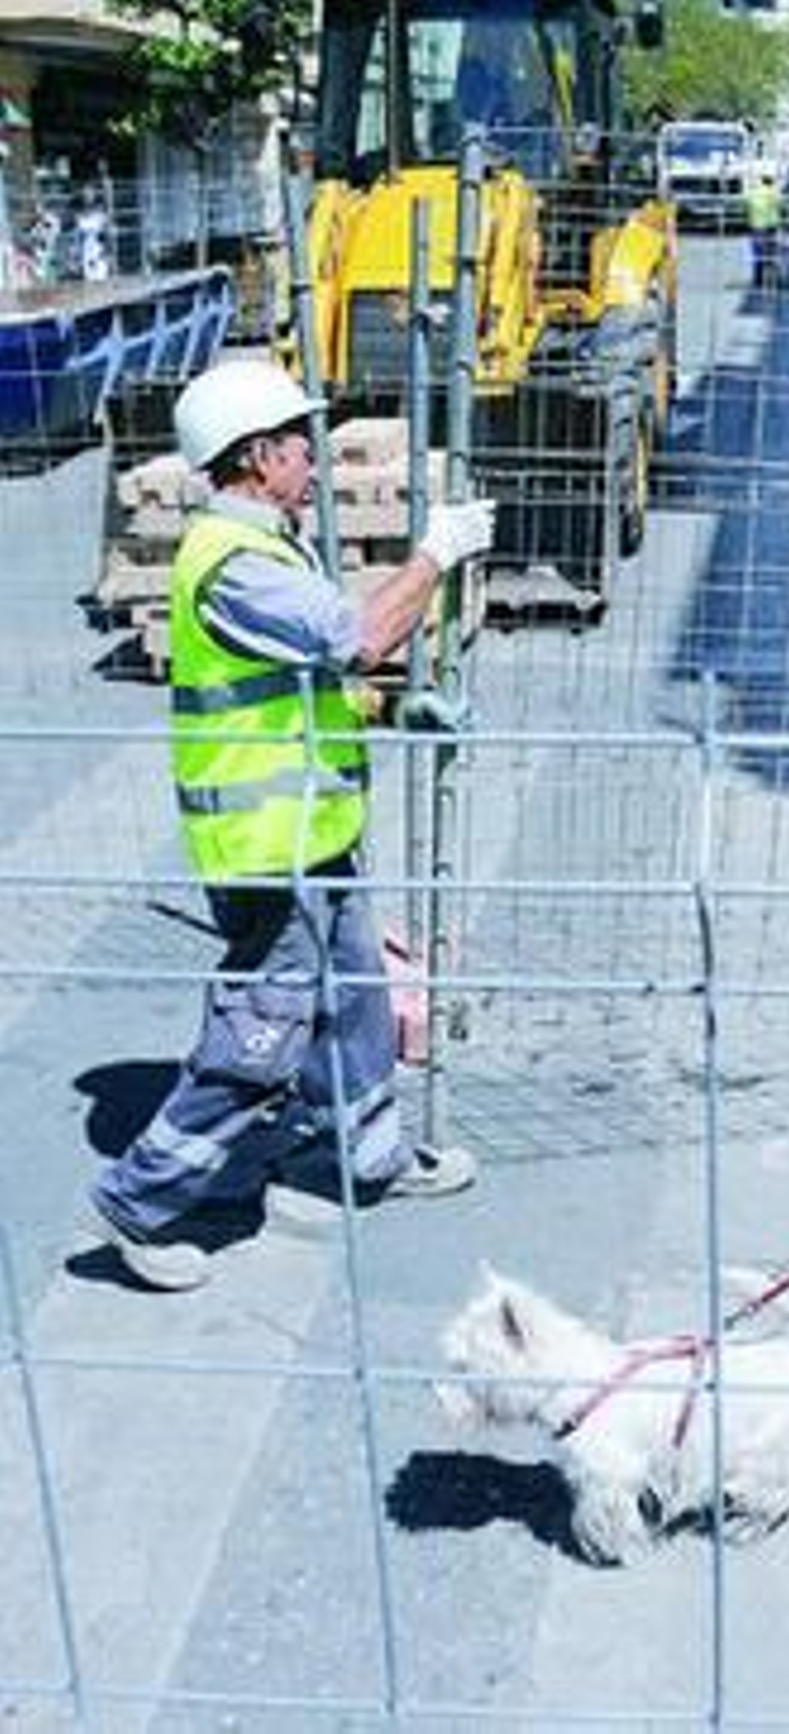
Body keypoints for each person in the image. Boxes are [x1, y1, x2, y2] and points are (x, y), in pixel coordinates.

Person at [88, 357, 497, 1291]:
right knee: (261, 1034)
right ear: (258, 457)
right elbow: (360, 636)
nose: (313, 462)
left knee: (353, 1000)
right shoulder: (233, 565)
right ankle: (139, 1199)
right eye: (298, 446)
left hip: (315, 829)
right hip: (269, 847)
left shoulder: (266, 546)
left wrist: (393, 713)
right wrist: (437, 552)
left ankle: (366, 1159)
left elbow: (309, 686)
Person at [745, 170, 782, 289]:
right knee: (771, 252)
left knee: (758, 253)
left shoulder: (754, 192)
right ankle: (772, 279)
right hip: (771, 226)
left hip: (756, 225)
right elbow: (779, 204)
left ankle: (758, 279)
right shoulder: (774, 192)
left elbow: (747, 203)